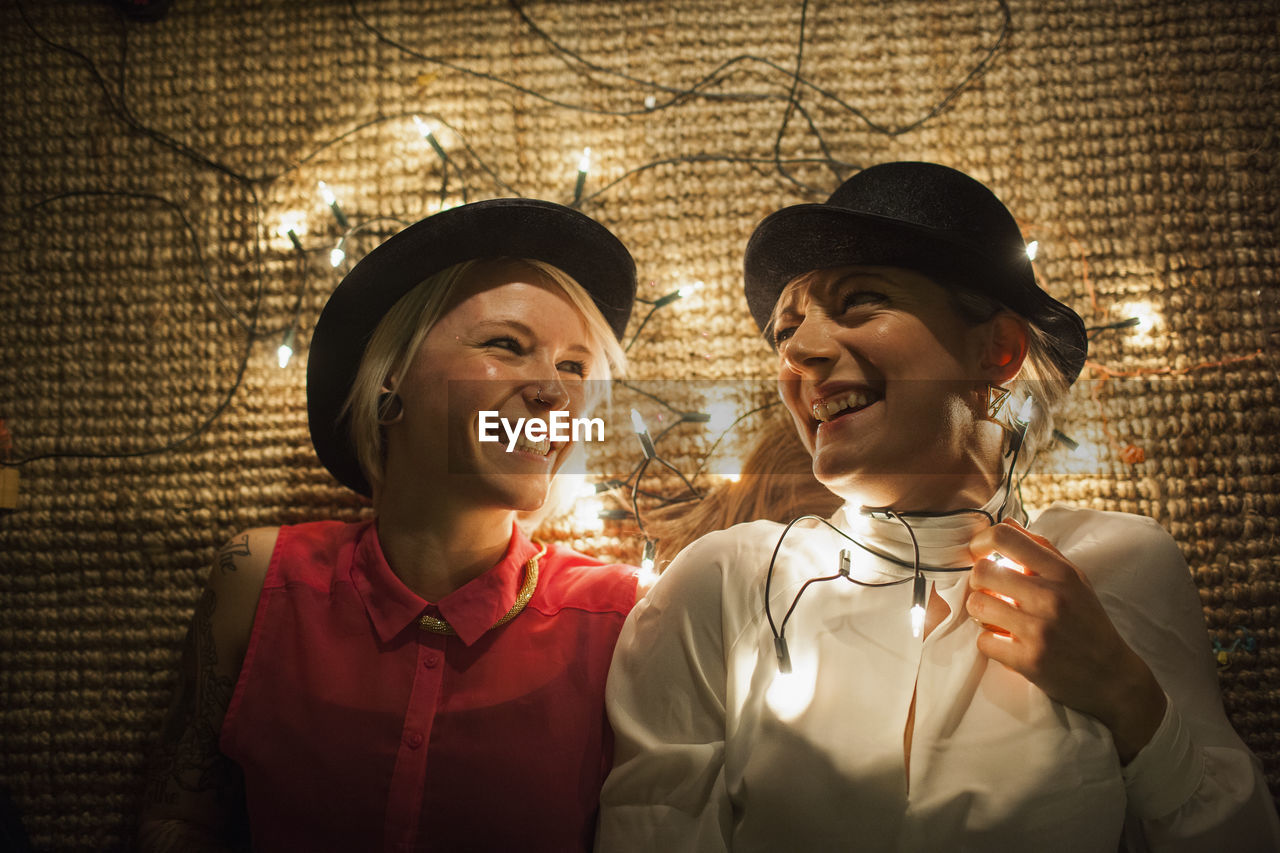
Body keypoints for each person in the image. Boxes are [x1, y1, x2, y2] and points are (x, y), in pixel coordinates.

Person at [596, 162, 1280, 851]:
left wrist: (1130, 698)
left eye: (861, 300)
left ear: (999, 349)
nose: (798, 351)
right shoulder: (723, 584)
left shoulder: (1115, 565)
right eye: (785, 331)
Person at [138, 198, 641, 852]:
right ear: (391, 374)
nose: (555, 392)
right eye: (507, 344)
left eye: (574, 366)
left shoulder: (625, 617)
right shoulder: (259, 580)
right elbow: (180, 821)